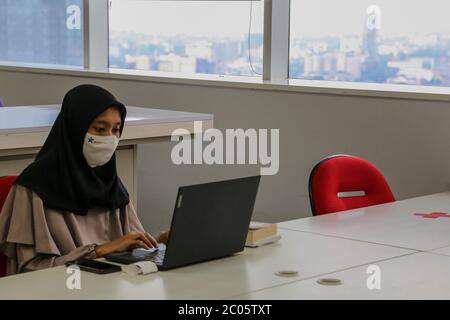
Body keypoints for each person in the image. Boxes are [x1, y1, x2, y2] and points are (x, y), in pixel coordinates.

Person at [0, 84, 167, 275]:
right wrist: (99, 250)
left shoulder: (111, 184)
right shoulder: (33, 187)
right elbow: (31, 270)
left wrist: (160, 240)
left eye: (116, 129)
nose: (110, 138)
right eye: (100, 128)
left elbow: (130, 246)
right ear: (75, 127)